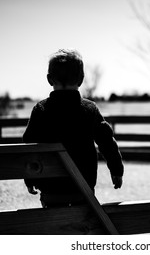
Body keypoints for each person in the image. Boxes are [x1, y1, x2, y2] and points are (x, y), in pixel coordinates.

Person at [23, 49, 124, 207]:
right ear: (81, 79)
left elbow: (30, 146)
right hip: (83, 189)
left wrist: (30, 178)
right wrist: (116, 169)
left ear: (49, 79)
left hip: (51, 191)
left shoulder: (41, 110)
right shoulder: (90, 109)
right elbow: (106, 141)